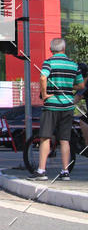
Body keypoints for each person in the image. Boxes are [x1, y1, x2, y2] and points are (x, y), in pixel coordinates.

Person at [30, 38, 84, 181]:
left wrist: (45, 93)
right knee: (65, 139)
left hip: (52, 105)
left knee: (45, 137)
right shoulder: (73, 65)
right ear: (64, 49)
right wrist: (67, 87)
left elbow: (43, 77)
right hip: (68, 106)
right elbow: (80, 86)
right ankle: (65, 172)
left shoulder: (49, 63)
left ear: (51, 49)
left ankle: (41, 171)